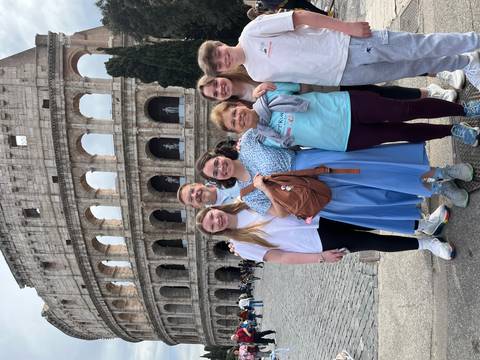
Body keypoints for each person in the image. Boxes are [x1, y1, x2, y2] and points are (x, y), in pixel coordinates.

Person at [195, 131, 473, 235]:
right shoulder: (248, 195)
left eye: (217, 162)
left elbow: (283, 129)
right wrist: (264, 187)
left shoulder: (249, 141)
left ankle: (443, 173)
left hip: (316, 165)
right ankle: (437, 190)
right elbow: (280, 213)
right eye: (216, 173)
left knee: (378, 170)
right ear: (220, 181)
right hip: (316, 199)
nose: (220, 168)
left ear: (221, 155)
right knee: (372, 199)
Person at [197, 10, 480, 89]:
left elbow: (299, 17)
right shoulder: (256, 73)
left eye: (220, 54)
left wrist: (346, 27)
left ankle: (472, 40)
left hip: (346, 45)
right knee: (410, 66)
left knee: (416, 46)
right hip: (341, 75)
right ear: (225, 70)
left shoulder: (251, 32)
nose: (224, 59)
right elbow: (294, 80)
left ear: (222, 46)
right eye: (220, 65)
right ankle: (464, 61)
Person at [209, 83, 480, 151]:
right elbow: (293, 153)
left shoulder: (268, 93)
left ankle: (463, 110)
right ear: (235, 131)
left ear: (238, 105)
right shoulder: (264, 141)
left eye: (234, 112)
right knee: (402, 134)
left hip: (346, 107)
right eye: (233, 122)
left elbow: (303, 82)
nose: (238, 118)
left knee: (404, 110)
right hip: (343, 139)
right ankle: (452, 132)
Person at [196, 202, 456, 262]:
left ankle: (424, 225)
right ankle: (427, 245)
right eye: (213, 226)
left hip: (317, 215)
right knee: (373, 241)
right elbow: (282, 258)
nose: (217, 220)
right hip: (316, 241)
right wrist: (320, 258)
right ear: (216, 232)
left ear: (215, 208)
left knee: (374, 217)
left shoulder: (245, 202)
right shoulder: (241, 245)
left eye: (213, 216)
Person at [197, 68, 461, 103]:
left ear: (221, 76)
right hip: (319, 100)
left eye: (216, 84)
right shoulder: (245, 106)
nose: (220, 89)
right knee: (377, 94)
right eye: (216, 93)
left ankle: (439, 70)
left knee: (379, 70)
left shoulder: (250, 68)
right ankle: (432, 94)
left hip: (319, 76)